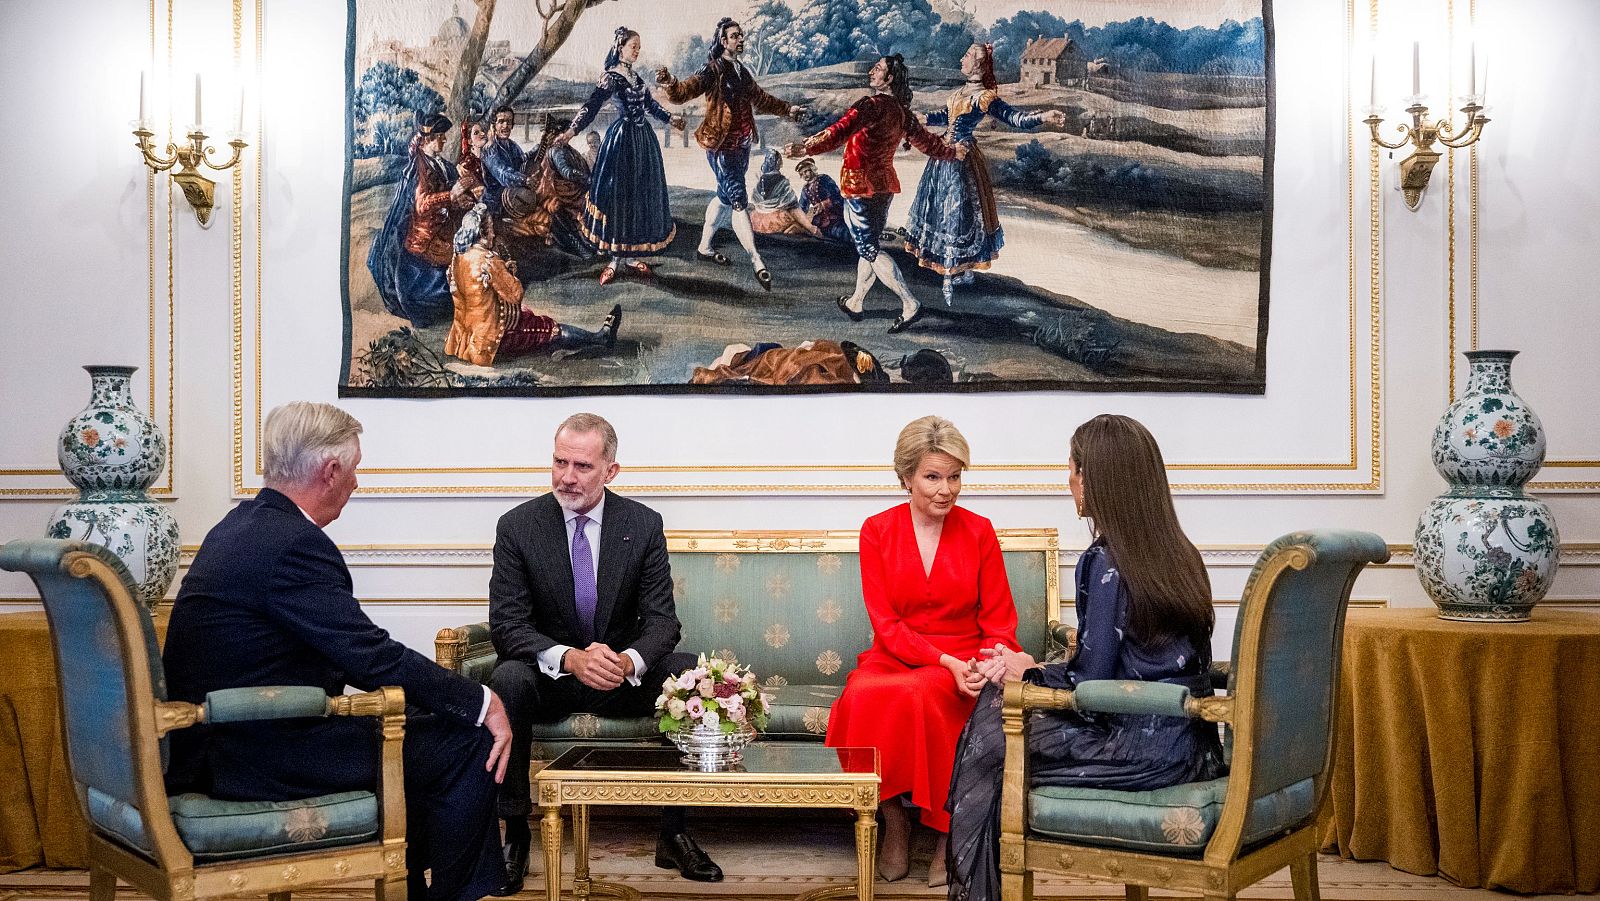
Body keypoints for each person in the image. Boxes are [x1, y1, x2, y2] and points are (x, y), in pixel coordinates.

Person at [162, 402, 512, 901]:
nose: (357, 484)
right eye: (355, 471)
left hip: (222, 740)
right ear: (331, 472)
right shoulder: (293, 544)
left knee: (426, 723)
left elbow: (347, 654)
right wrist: (482, 701)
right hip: (256, 753)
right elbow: (370, 657)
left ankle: (412, 885)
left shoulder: (241, 526)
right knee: (470, 740)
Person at [944, 414, 1226, 901]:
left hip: (1140, 749)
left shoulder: (1106, 560)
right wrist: (1029, 666)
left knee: (992, 730)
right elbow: (1128, 665)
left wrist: (1027, 670)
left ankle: (974, 892)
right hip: (1191, 747)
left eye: (1072, 468)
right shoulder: (1179, 552)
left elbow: (1091, 691)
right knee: (995, 730)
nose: (1068, 480)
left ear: (1095, 478)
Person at [486, 414, 723, 893]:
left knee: (687, 675)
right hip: (550, 676)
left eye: (582, 466)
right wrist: (571, 658)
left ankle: (673, 831)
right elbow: (508, 626)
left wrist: (628, 661)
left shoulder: (642, 523)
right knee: (507, 679)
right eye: (559, 462)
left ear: (611, 471)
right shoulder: (517, 527)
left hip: (620, 677)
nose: (567, 477)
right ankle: (516, 832)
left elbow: (662, 622)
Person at [825, 416, 1019, 887]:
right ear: (906, 477)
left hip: (967, 660)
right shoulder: (876, 530)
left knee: (930, 694)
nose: (946, 489)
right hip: (899, 654)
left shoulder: (979, 531)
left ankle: (947, 837)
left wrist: (981, 664)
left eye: (954, 477)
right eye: (933, 476)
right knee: (861, 697)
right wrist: (943, 662)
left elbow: (999, 621)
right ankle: (894, 823)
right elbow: (886, 625)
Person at [784, 56, 965, 333]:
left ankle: (909, 303)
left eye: (878, 69)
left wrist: (806, 147)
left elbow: (839, 131)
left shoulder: (871, 106)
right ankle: (856, 302)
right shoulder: (902, 113)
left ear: (890, 78)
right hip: (883, 188)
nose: (871, 71)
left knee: (869, 250)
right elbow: (928, 143)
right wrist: (952, 152)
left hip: (860, 187)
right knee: (866, 246)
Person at [903, 43, 1066, 305]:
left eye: (966, 56)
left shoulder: (985, 97)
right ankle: (947, 268)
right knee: (940, 210)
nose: (961, 59)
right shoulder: (961, 92)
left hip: (963, 159)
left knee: (959, 213)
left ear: (978, 64)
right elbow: (946, 115)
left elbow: (1015, 119)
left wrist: (1044, 116)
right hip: (943, 156)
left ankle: (959, 270)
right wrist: (924, 118)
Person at [657, 17, 809, 292]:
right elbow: (683, 92)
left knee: (723, 197)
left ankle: (704, 245)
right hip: (721, 149)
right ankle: (757, 262)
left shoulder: (741, 70)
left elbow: (761, 99)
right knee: (739, 201)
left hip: (741, 146)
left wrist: (788, 110)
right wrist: (669, 82)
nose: (741, 39)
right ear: (723, 41)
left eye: (741, 35)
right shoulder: (713, 70)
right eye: (735, 36)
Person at [558, 27, 683, 285]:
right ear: (620, 47)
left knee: (638, 198)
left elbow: (650, 106)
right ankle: (614, 259)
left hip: (643, 143)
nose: (637, 50)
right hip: (621, 144)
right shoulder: (611, 77)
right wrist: (571, 131)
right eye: (633, 46)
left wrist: (671, 119)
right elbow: (591, 106)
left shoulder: (636, 78)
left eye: (639, 47)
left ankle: (629, 256)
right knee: (618, 198)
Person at [445, 204, 621, 367]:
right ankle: (600, 338)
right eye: (490, 231)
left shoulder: (458, 258)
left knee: (527, 314)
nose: (493, 235)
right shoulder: (489, 261)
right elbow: (516, 295)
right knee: (547, 327)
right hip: (490, 339)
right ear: (481, 233)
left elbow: (475, 294)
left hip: (465, 339)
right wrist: (510, 275)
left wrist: (503, 272)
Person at [367, 112, 472, 327]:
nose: (444, 139)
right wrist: (451, 195)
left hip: (444, 227)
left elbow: (449, 194)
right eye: (440, 136)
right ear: (428, 140)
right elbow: (422, 204)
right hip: (426, 235)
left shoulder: (442, 164)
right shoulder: (421, 167)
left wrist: (461, 201)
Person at [748, 149, 822, 236]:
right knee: (796, 219)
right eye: (803, 173)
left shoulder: (761, 181)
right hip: (775, 221)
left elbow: (755, 199)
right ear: (778, 163)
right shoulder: (781, 181)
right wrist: (811, 227)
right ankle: (800, 229)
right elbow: (793, 206)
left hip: (757, 220)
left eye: (806, 171)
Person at [482, 106, 529, 215]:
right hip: (494, 205)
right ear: (493, 126)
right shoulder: (489, 149)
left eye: (509, 122)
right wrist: (524, 180)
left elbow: (522, 161)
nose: (505, 126)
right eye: (501, 122)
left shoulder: (512, 145)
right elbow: (502, 173)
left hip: (513, 198)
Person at [795, 157, 849, 244]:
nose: (804, 175)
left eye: (806, 171)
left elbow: (838, 196)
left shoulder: (824, 179)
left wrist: (823, 204)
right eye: (802, 174)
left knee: (842, 234)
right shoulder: (805, 189)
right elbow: (802, 207)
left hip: (835, 217)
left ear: (812, 169)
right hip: (819, 222)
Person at [456, 117, 490, 203]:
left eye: (482, 131)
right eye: (476, 133)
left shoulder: (487, 157)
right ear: (470, 141)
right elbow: (478, 192)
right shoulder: (467, 163)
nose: (482, 134)